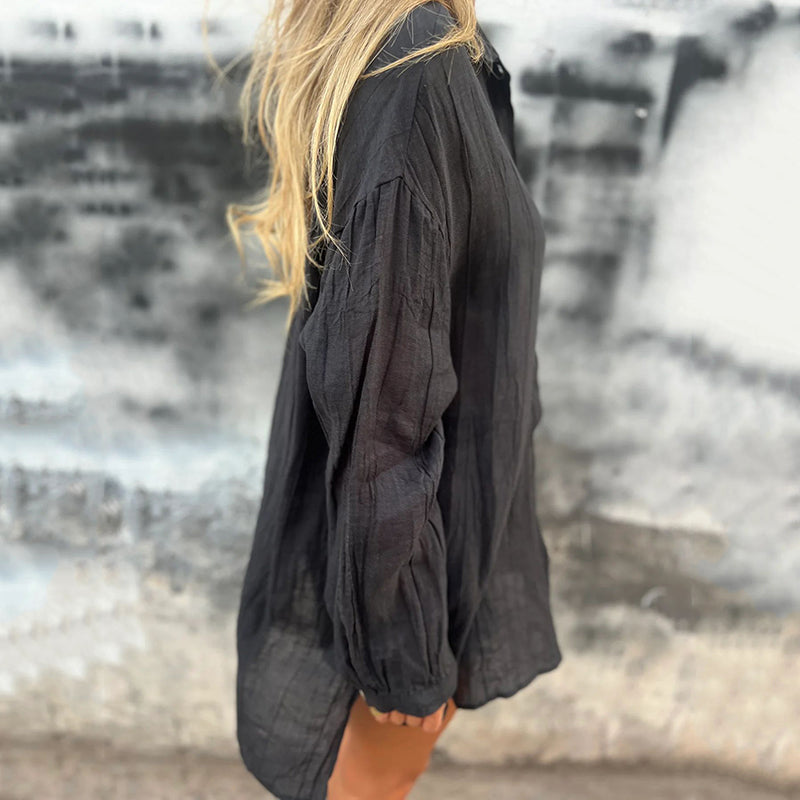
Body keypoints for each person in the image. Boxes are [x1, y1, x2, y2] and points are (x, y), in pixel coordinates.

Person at [227, 2, 563, 798]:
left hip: (412, 559)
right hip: (397, 579)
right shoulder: (415, 65)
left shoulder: (433, 56)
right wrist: (402, 648)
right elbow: (386, 415)